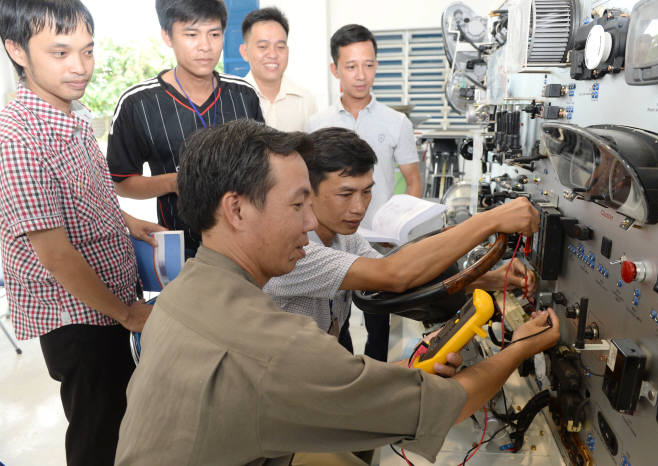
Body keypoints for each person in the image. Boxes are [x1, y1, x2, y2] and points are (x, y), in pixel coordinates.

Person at [114, 119, 559, 465]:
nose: (310, 224)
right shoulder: (275, 344)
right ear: (236, 209)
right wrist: (519, 348)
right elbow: (446, 403)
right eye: (297, 205)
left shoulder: (182, 292)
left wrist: (482, 279)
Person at [0, 1, 166, 464]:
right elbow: (56, 255)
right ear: (17, 50)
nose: (80, 67)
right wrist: (128, 314)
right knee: (98, 432)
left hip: (108, 301)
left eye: (87, 51)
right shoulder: (16, 139)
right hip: (78, 316)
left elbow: (90, 196)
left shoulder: (72, 114)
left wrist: (129, 222)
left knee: (122, 416)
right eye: (60, 52)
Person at [265, 127, 538, 360]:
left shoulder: (345, 239)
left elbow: (398, 284)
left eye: (367, 191)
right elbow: (393, 275)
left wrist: (492, 279)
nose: (359, 208)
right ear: (308, 192)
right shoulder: (295, 251)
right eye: (345, 194)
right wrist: (490, 221)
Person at [107, 0, 264, 256]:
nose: (205, 46)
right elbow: (121, 183)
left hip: (246, 243)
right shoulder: (138, 103)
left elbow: (261, 166)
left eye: (214, 34)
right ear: (167, 36)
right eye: (191, 34)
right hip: (182, 250)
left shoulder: (244, 95)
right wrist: (175, 182)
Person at [308, 24, 423, 360]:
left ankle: (374, 383)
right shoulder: (316, 124)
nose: (361, 75)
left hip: (380, 241)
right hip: (332, 241)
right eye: (351, 65)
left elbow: (412, 181)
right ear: (335, 69)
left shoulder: (396, 122)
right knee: (334, 318)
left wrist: (401, 229)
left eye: (369, 64)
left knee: (379, 323)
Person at [240, 7, 317, 131]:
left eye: (280, 47)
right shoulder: (234, 99)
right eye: (263, 46)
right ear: (244, 52)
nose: (273, 54)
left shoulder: (305, 100)